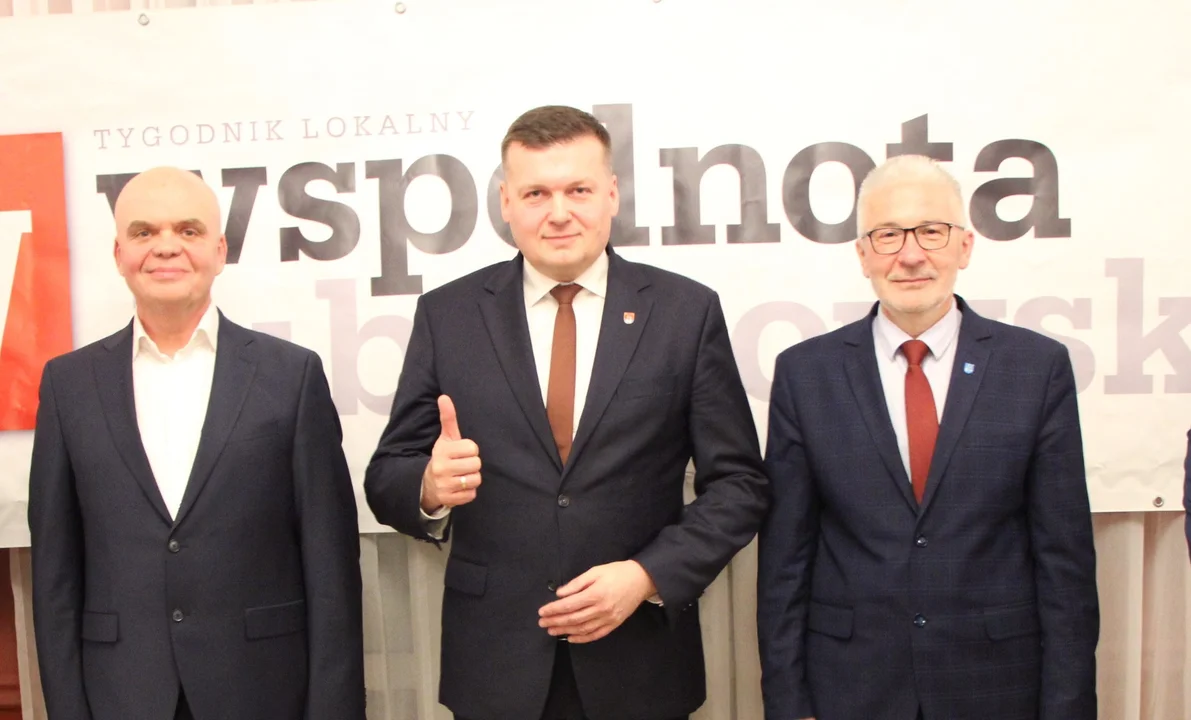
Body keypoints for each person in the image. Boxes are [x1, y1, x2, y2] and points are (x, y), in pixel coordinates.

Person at [364, 105, 769, 720]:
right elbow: (388, 473)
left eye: (578, 189)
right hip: (496, 668)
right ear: (506, 202)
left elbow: (739, 484)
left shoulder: (685, 313)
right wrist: (428, 486)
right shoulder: (449, 316)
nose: (558, 212)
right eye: (536, 193)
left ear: (611, 194)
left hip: (639, 663)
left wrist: (647, 575)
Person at [756, 155, 1099, 720]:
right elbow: (784, 564)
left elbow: (1065, 565)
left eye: (931, 232)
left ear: (965, 245)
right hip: (851, 687)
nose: (911, 254)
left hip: (996, 688)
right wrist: (789, 705)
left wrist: (1066, 707)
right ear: (862, 254)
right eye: (888, 235)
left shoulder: (1035, 368)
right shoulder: (805, 374)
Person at [28, 167, 365, 720]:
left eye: (188, 230)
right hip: (121, 697)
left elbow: (331, 569)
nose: (166, 246)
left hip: (262, 694)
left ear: (219, 250)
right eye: (144, 232)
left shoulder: (291, 376)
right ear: (118, 254)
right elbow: (54, 577)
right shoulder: (68, 386)